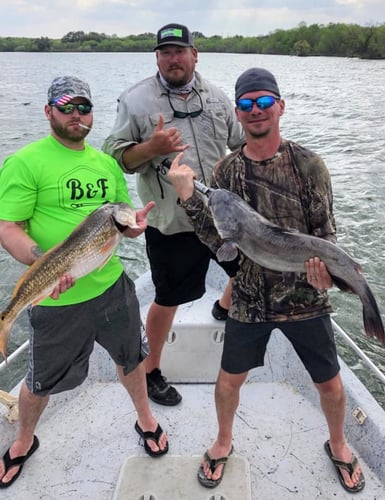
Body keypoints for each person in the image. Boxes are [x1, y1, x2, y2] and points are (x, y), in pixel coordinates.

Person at [167, 67, 365, 493]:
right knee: (228, 382)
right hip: (250, 299)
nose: (255, 111)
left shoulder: (310, 165)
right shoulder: (225, 173)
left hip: (306, 297)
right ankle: (223, 442)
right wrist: (188, 199)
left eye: (262, 102)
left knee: (329, 383)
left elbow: (325, 233)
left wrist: (329, 275)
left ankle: (339, 443)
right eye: (246, 105)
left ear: (279, 107)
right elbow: (215, 237)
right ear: (237, 114)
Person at [0, 76, 169, 489]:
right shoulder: (26, 162)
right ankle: (23, 441)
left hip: (112, 288)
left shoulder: (106, 163)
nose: (76, 115)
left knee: (131, 359)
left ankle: (145, 419)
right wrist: (44, 262)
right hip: (56, 300)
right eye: (66, 106)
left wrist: (133, 227)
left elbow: (121, 217)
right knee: (39, 380)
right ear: (48, 112)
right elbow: (8, 227)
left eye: (84, 107)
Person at [103, 23, 244, 406]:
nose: (173, 58)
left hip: (219, 218)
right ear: (157, 57)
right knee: (167, 298)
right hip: (172, 223)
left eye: (180, 50)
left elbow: (242, 142)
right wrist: (152, 147)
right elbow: (117, 157)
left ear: (195, 54)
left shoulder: (216, 97)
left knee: (248, 273)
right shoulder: (135, 101)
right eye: (165, 52)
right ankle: (150, 370)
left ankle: (223, 306)